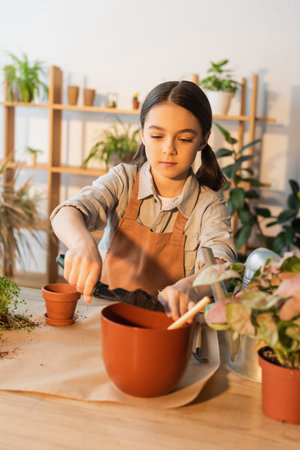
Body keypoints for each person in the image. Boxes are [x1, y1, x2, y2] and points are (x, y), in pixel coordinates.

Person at [51, 80, 236, 320]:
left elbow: (221, 266)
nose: (169, 149)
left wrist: (189, 287)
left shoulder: (209, 206)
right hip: (102, 316)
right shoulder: (123, 180)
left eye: (184, 139)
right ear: (143, 134)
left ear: (203, 140)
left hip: (165, 325)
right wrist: (81, 243)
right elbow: (68, 212)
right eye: (157, 135)